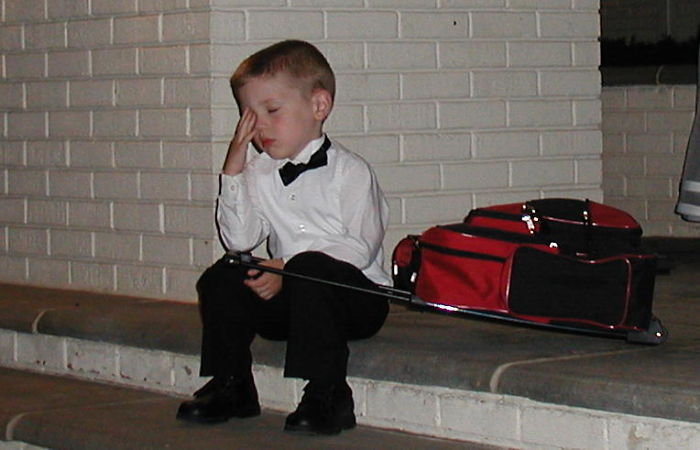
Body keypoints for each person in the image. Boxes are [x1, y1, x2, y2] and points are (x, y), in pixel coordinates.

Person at [176, 40, 391, 436]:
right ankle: (232, 383)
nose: (258, 125)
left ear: (318, 106)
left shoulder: (351, 172)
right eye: (249, 115)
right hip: (292, 300)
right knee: (226, 273)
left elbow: (359, 249)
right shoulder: (258, 174)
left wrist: (288, 270)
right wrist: (235, 168)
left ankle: (328, 393)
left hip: (353, 299)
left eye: (271, 111)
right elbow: (239, 238)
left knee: (311, 268)